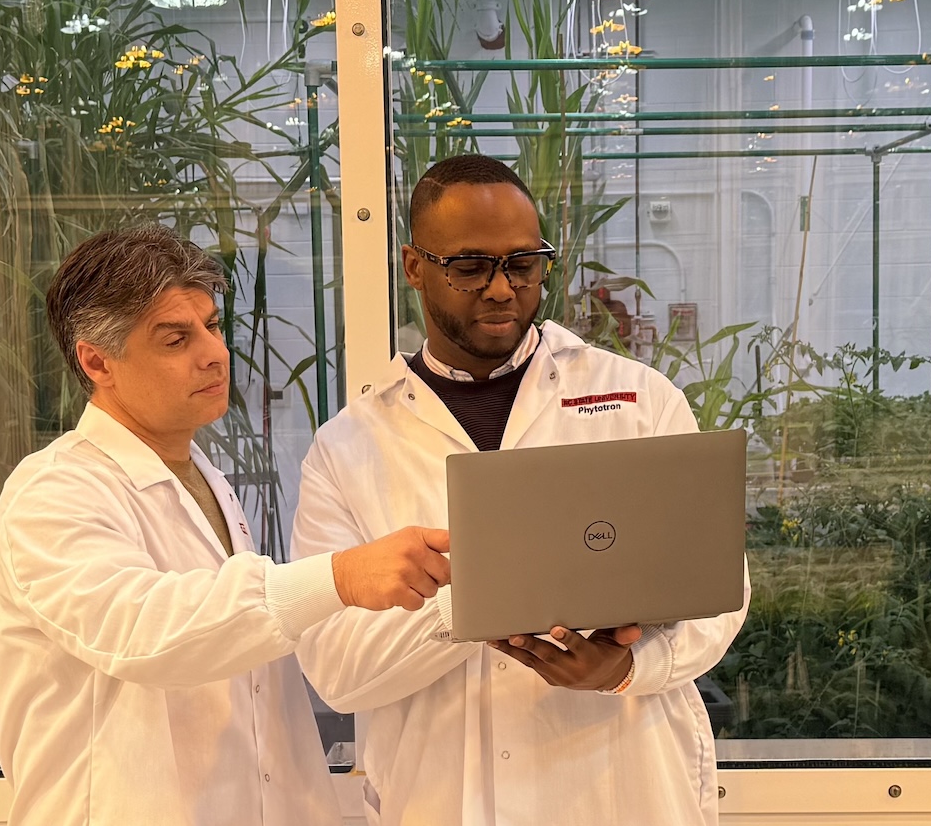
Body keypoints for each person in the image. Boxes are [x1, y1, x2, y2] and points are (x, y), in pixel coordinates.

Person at [292, 154, 750, 825]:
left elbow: (719, 588)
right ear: (414, 266)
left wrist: (624, 670)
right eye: (471, 266)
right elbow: (336, 669)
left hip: (623, 792)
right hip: (444, 801)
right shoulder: (349, 448)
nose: (503, 289)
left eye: (524, 264)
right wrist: (468, 604)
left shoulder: (638, 401)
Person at [0, 225, 452, 826]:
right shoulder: (52, 491)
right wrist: (340, 576)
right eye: (176, 338)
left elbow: (255, 700)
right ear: (97, 360)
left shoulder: (208, 481)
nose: (214, 352)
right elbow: (144, 631)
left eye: (209, 325)